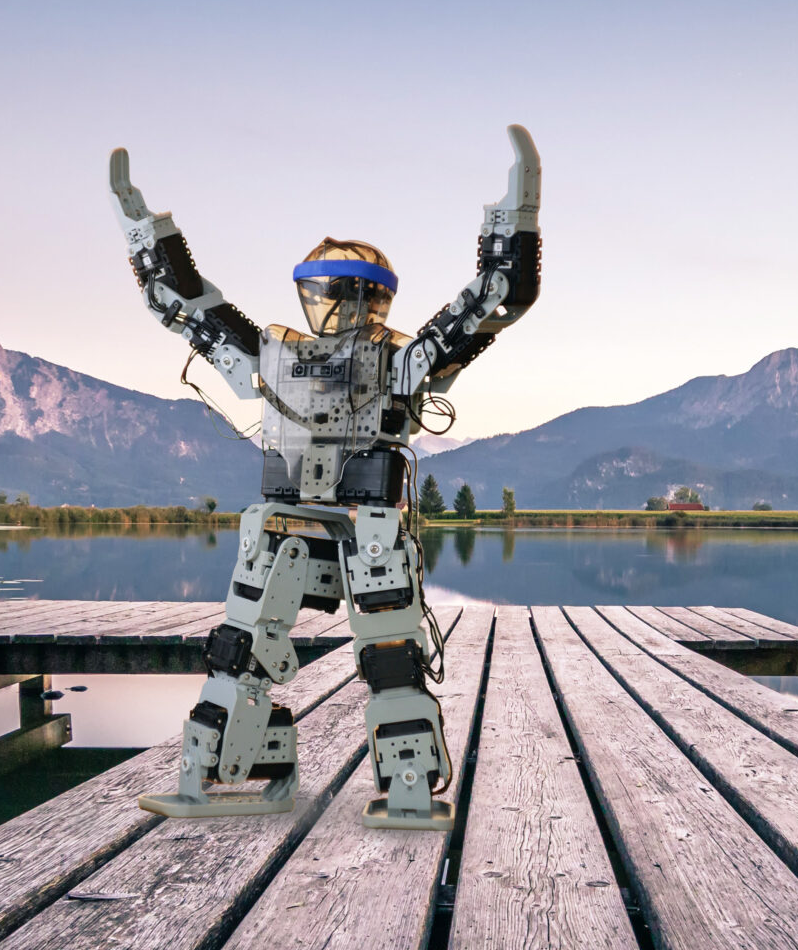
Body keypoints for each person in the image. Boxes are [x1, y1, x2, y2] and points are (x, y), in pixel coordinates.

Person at [111, 128, 541, 828]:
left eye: (344, 293)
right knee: (239, 648)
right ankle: (241, 769)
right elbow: (184, 305)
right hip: (286, 522)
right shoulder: (278, 354)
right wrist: (144, 230)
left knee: (391, 654)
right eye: (317, 291)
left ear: (375, 299)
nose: (329, 305)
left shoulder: (402, 359)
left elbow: (497, 297)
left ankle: (407, 788)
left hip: (367, 525)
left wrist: (514, 217)